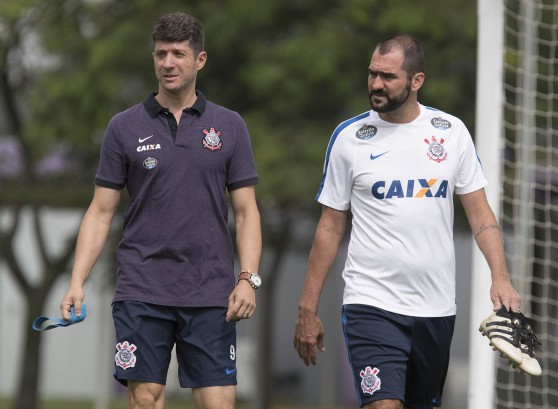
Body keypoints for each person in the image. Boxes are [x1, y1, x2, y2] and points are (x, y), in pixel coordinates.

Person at [293, 34, 521, 408]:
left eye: (388, 77)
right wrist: (307, 306)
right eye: (372, 74)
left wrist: (501, 277)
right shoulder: (349, 138)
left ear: (416, 81)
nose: (376, 84)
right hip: (371, 302)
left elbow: (481, 217)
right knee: (384, 404)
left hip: (436, 308)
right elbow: (330, 226)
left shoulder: (451, 132)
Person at [60, 12, 262, 409]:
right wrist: (76, 280)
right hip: (143, 287)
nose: (168, 63)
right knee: (146, 400)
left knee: (219, 403)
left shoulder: (230, 126)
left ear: (199, 60)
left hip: (210, 291)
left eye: (179, 54)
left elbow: (247, 212)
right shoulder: (123, 127)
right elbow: (100, 212)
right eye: (161, 54)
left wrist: (247, 279)